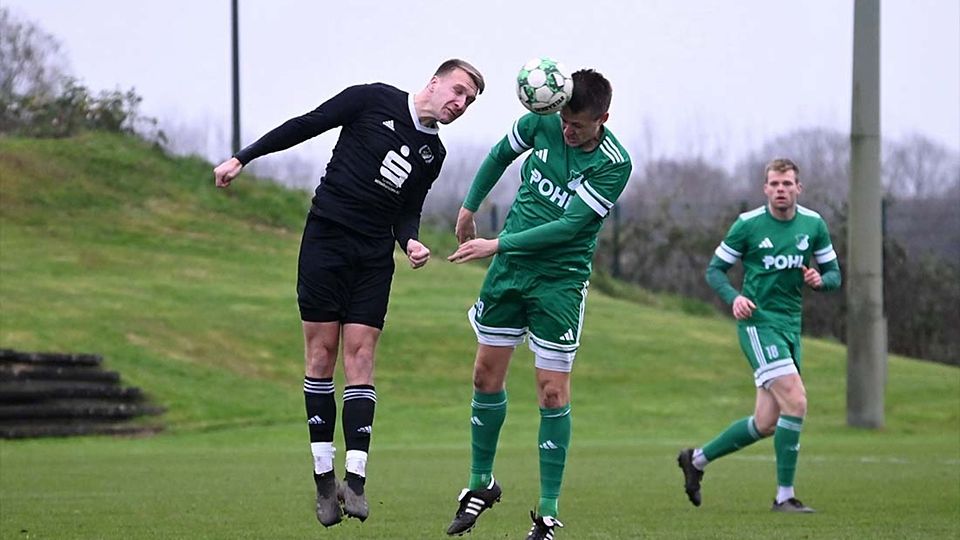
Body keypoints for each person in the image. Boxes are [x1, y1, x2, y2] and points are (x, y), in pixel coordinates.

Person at [212, 59, 484, 527]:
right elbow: (308, 124)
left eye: (469, 101)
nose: (459, 104)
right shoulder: (372, 98)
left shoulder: (433, 155)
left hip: (374, 257)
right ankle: (323, 479)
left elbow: (407, 210)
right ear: (434, 82)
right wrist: (245, 156)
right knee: (321, 355)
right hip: (327, 240)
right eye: (457, 91)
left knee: (361, 357)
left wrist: (411, 241)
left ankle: (354, 480)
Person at [444, 69, 631, 539]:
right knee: (485, 376)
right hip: (509, 274)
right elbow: (499, 155)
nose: (568, 131)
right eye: (564, 121)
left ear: (602, 119)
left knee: (551, 391)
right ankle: (479, 484)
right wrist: (469, 207)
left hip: (559, 281)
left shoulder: (614, 164)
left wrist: (497, 243)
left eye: (579, 126)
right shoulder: (542, 119)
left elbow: (569, 227)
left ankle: (547, 513)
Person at [677, 158, 841, 513]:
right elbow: (715, 271)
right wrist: (734, 298)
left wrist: (819, 280)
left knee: (766, 423)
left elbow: (834, 275)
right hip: (758, 325)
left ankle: (697, 460)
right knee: (796, 401)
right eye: (775, 184)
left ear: (799, 188)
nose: (781, 190)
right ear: (765, 188)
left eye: (787, 184)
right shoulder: (748, 225)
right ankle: (784, 496)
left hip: (790, 327)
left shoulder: (813, 224)